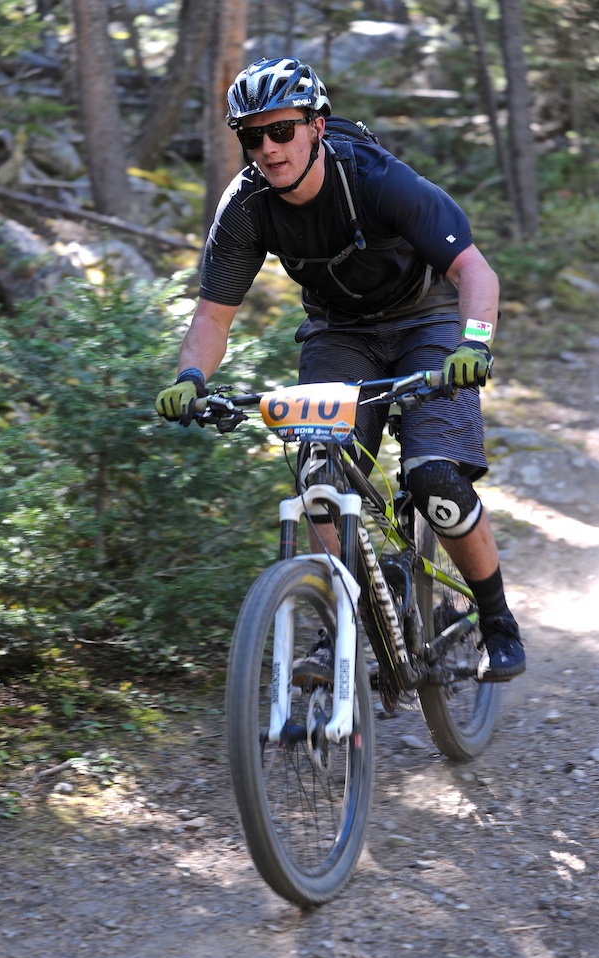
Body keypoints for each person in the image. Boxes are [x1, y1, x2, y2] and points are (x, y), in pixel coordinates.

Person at [155, 56, 525, 682]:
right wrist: (189, 378)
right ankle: (345, 624)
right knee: (320, 473)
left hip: (428, 319)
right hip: (340, 331)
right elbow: (213, 317)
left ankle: (497, 623)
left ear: (316, 127)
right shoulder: (246, 208)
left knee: (434, 478)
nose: (267, 149)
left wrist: (476, 345)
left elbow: (473, 271)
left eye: (282, 130)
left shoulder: (376, 179)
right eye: (252, 135)